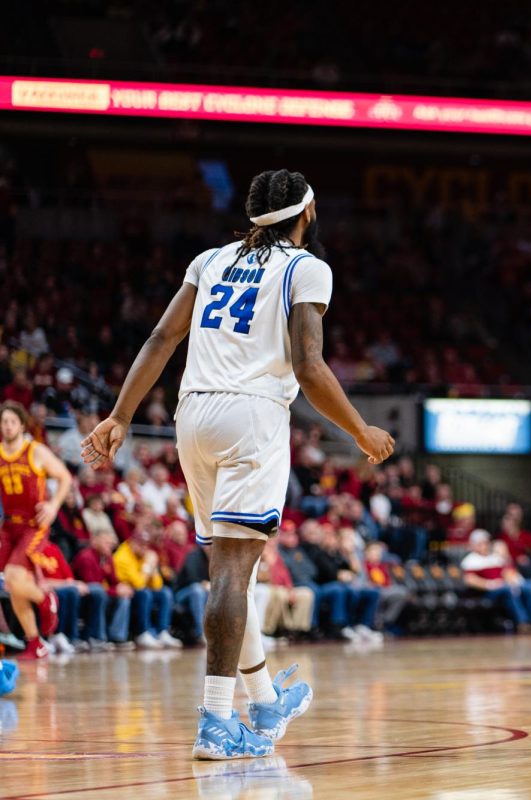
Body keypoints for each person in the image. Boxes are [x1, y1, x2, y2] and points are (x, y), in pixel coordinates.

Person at [81, 169, 395, 759]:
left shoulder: (210, 258)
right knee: (231, 570)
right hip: (252, 414)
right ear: (306, 213)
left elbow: (159, 337)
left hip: (191, 413)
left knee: (234, 572)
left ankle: (264, 697)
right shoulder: (307, 267)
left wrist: (120, 414)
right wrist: (361, 430)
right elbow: (309, 365)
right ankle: (215, 720)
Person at [0, 401, 72, 660]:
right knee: (14, 585)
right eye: (3, 422)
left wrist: (53, 505)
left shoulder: (35, 451)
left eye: (11, 421)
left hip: (34, 524)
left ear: (21, 425)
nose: (7, 426)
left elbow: (64, 476)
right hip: (9, 526)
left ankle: (46, 600)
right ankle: (35, 643)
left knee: (12, 575)